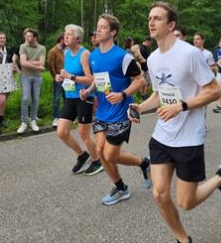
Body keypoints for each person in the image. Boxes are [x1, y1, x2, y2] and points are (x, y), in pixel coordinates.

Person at [129, 1, 221, 243]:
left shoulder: (189, 54)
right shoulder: (152, 59)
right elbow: (159, 93)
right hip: (163, 135)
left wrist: (183, 106)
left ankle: (220, 180)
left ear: (171, 25)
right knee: (159, 194)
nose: (151, 22)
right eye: (149, 18)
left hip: (189, 137)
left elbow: (214, 91)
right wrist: (141, 107)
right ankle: (183, 242)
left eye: (157, 18)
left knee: (186, 202)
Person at [80, 13, 151, 205]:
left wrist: (122, 95)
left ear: (112, 32)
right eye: (97, 27)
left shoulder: (123, 56)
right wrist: (88, 91)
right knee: (101, 151)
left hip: (121, 112)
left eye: (102, 27)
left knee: (110, 154)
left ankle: (144, 163)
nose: (98, 30)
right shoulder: (93, 56)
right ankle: (121, 188)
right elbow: (98, 80)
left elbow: (140, 80)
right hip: (102, 112)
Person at [55, 24, 103, 176]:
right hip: (70, 97)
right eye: (65, 34)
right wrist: (61, 76)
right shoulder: (67, 53)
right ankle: (82, 155)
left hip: (84, 97)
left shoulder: (85, 54)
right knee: (61, 132)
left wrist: (71, 76)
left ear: (77, 38)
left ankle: (97, 161)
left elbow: (91, 79)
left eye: (69, 34)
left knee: (84, 133)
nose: (65, 37)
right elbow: (67, 74)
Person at [17, 28, 46, 134]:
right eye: (27, 36)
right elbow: (23, 63)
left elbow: (42, 63)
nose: (27, 38)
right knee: (25, 98)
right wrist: (36, 64)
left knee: (35, 99)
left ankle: (33, 120)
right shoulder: (23, 47)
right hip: (25, 76)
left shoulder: (42, 48)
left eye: (30, 36)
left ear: (35, 37)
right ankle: (24, 122)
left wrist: (30, 62)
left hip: (37, 77)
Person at [48, 33, 65, 128]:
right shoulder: (53, 51)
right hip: (58, 78)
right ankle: (56, 117)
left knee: (67, 97)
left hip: (68, 78)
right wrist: (55, 76)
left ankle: (66, 116)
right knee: (57, 98)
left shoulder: (67, 50)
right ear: (61, 39)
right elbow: (50, 65)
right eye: (65, 39)